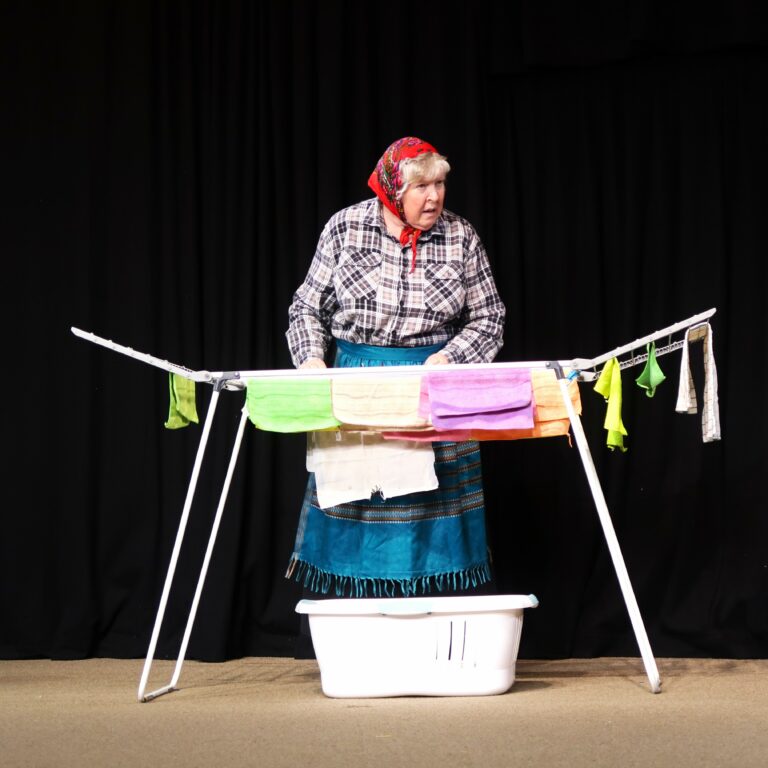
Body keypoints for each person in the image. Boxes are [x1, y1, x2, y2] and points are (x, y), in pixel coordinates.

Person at [285, 136, 506, 605]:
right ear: (392, 190)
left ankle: (436, 628)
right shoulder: (345, 229)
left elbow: (489, 318)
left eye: (440, 184)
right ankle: (354, 626)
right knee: (358, 504)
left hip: (432, 387)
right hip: (357, 387)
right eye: (422, 187)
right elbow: (306, 308)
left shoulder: (461, 236)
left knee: (433, 525)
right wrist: (311, 360)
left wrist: (450, 358)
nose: (435, 197)